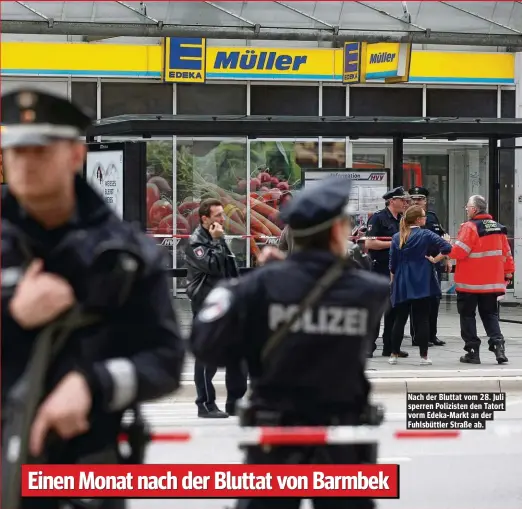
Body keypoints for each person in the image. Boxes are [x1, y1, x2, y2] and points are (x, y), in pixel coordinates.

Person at [1, 89, 185, 509]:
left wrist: (94, 384)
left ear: (74, 155)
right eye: (15, 152)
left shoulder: (125, 254)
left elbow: (166, 359)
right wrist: (13, 317)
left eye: (39, 151)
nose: (25, 164)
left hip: (85, 474)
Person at [190, 176, 390, 509]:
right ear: (337, 231)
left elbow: (205, 344)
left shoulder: (260, 287)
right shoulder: (368, 292)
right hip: (341, 438)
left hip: (275, 434)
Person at [185, 198, 248, 418]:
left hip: (226, 303)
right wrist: (214, 241)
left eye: (222, 214)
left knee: (238, 353)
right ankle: (204, 403)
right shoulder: (196, 242)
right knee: (206, 357)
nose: (223, 219)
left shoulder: (217, 238)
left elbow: (229, 268)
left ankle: (235, 401)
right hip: (206, 305)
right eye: (218, 216)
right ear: (205, 219)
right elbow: (212, 266)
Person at [447, 195, 514, 364]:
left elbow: (459, 252)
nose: (466, 210)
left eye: (468, 207)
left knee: (468, 316)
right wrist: (508, 273)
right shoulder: (498, 228)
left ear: (474, 209)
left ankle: (472, 352)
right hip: (491, 283)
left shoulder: (470, 227)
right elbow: (507, 254)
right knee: (490, 315)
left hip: (470, 283)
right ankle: (498, 347)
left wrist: (446, 245)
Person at [388, 206, 452, 365]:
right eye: (423, 216)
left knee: (399, 319)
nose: (425, 219)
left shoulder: (397, 236)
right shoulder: (426, 234)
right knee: (422, 319)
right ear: (417, 219)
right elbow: (447, 247)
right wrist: (435, 259)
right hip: (422, 281)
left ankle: (394, 354)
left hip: (402, 281)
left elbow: (393, 264)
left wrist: (393, 282)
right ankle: (424, 356)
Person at [366, 187, 410, 358]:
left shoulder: (402, 219)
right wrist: (394, 243)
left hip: (396, 269)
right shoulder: (378, 218)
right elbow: (369, 244)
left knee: (393, 310)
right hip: (379, 268)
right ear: (392, 201)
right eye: (402, 200)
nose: (405, 203)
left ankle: (390, 346)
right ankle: (369, 346)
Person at [408, 186, 450, 347]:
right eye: (414, 198)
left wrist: (446, 259)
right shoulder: (406, 218)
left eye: (420, 198)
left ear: (426, 201)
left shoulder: (432, 217)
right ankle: (417, 336)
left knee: (434, 300)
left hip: (434, 264)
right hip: (416, 264)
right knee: (417, 301)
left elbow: (442, 239)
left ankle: (432, 335)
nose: (417, 201)